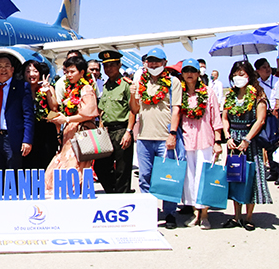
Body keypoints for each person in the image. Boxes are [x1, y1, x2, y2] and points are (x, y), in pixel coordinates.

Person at [129, 47, 182, 229]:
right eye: (150, 61)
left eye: (157, 61)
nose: (153, 64)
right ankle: (147, 211)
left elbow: (176, 109)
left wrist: (172, 133)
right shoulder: (140, 82)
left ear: (164, 63)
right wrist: (132, 94)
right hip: (144, 136)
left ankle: (169, 213)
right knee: (145, 176)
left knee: (167, 177)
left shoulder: (172, 82)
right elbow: (135, 110)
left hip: (163, 136)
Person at [222, 60, 272, 230]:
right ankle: (236, 216)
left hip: (250, 140)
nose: (238, 77)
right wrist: (227, 136)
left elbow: (261, 120)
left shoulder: (258, 95)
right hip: (233, 140)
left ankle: (248, 217)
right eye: (235, 74)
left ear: (249, 75)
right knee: (236, 177)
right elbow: (224, 117)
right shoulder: (230, 95)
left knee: (251, 177)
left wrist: (247, 139)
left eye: (241, 74)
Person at [179, 59, 223, 229]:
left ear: (198, 73)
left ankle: (204, 214)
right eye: (186, 71)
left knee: (204, 176)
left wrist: (218, 141)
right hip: (187, 140)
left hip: (205, 139)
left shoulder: (208, 92)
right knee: (189, 179)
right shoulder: (180, 93)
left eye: (193, 70)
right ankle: (194, 212)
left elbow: (215, 118)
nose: (189, 74)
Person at [45, 56, 99, 191]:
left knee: (73, 168)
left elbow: (89, 113)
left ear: (81, 72)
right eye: (66, 71)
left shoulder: (86, 89)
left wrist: (67, 119)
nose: (68, 75)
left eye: (72, 72)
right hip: (70, 134)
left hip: (80, 134)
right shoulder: (72, 89)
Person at [94, 50, 135, 194]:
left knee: (123, 170)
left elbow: (133, 110)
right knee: (101, 167)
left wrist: (128, 132)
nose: (108, 69)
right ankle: (113, 193)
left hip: (121, 130)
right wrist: (100, 126)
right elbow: (102, 109)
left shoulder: (126, 85)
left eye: (112, 65)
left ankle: (122, 197)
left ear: (119, 65)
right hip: (107, 131)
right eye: (106, 66)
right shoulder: (105, 86)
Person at [20, 60, 58, 170]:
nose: (31, 74)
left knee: (45, 163)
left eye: (35, 71)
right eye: (28, 71)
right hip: (27, 132)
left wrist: (48, 92)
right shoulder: (20, 89)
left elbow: (54, 108)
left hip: (45, 131)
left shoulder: (47, 87)